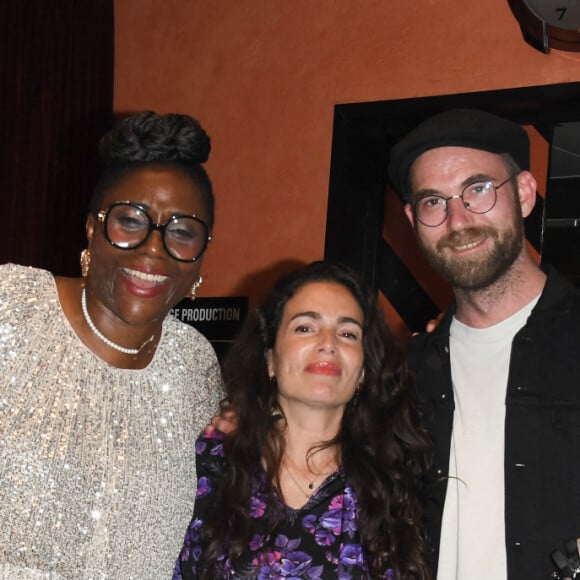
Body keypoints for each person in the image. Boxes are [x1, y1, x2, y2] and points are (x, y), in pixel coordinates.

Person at [0, 111, 223, 579]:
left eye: (182, 231)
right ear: (91, 228)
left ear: (202, 253)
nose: (153, 249)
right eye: (130, 220)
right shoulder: (12, 306)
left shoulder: (195, 364)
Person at [387, 108, 580, 580]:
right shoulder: (404, 372)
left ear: (525, 193)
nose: (457, 219)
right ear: (414, 219)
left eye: (477, 189)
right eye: (434, 201)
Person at [174, 261, 432, 579]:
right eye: (305, 328)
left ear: (363, 371)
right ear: (270, 359)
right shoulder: (211, 464)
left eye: (348, 333)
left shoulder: (396, 481)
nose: (328, 342)